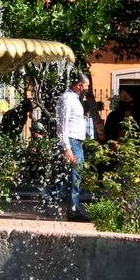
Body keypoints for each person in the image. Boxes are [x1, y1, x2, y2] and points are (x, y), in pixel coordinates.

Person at [56, 72, 91, 221]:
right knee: (75, 176)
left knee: (74, 176)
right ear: (79, 85)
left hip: (78, 142)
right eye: (86, 86)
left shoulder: (76, 99)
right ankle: (73, 210)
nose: (88, 88)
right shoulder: (66, 99)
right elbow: (61, 125)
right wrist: (67, 148)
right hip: (72, 142)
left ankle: (50, 195)